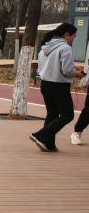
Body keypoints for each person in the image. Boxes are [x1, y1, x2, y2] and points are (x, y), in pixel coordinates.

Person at [31, 22, 85, 151]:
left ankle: (49, 145)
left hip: (45, 84)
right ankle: (40, 135)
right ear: (67, 35)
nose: (74, 39)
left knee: (52, 114)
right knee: (68, 115)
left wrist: (74, 67)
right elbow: (67, 71)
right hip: (59, 86)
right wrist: (78, 74)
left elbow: (48, 64)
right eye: (74, 36)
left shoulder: (46, 46)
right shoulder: (65, 48)